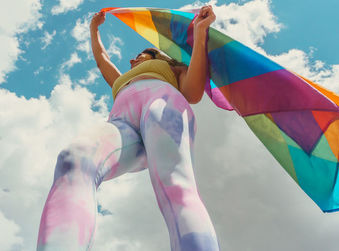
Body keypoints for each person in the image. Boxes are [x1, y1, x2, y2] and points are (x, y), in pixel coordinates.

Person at [37, 6, 220, 251]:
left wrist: (199, 35)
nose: (132, 59)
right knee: (74, 158)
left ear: (159, 57)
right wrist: (93, 30)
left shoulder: (172, 70)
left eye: (141, 55)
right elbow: (102, 59)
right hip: (122, 124)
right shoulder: (121, 81)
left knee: (175, 185)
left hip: (162, 107)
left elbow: (194, 92)